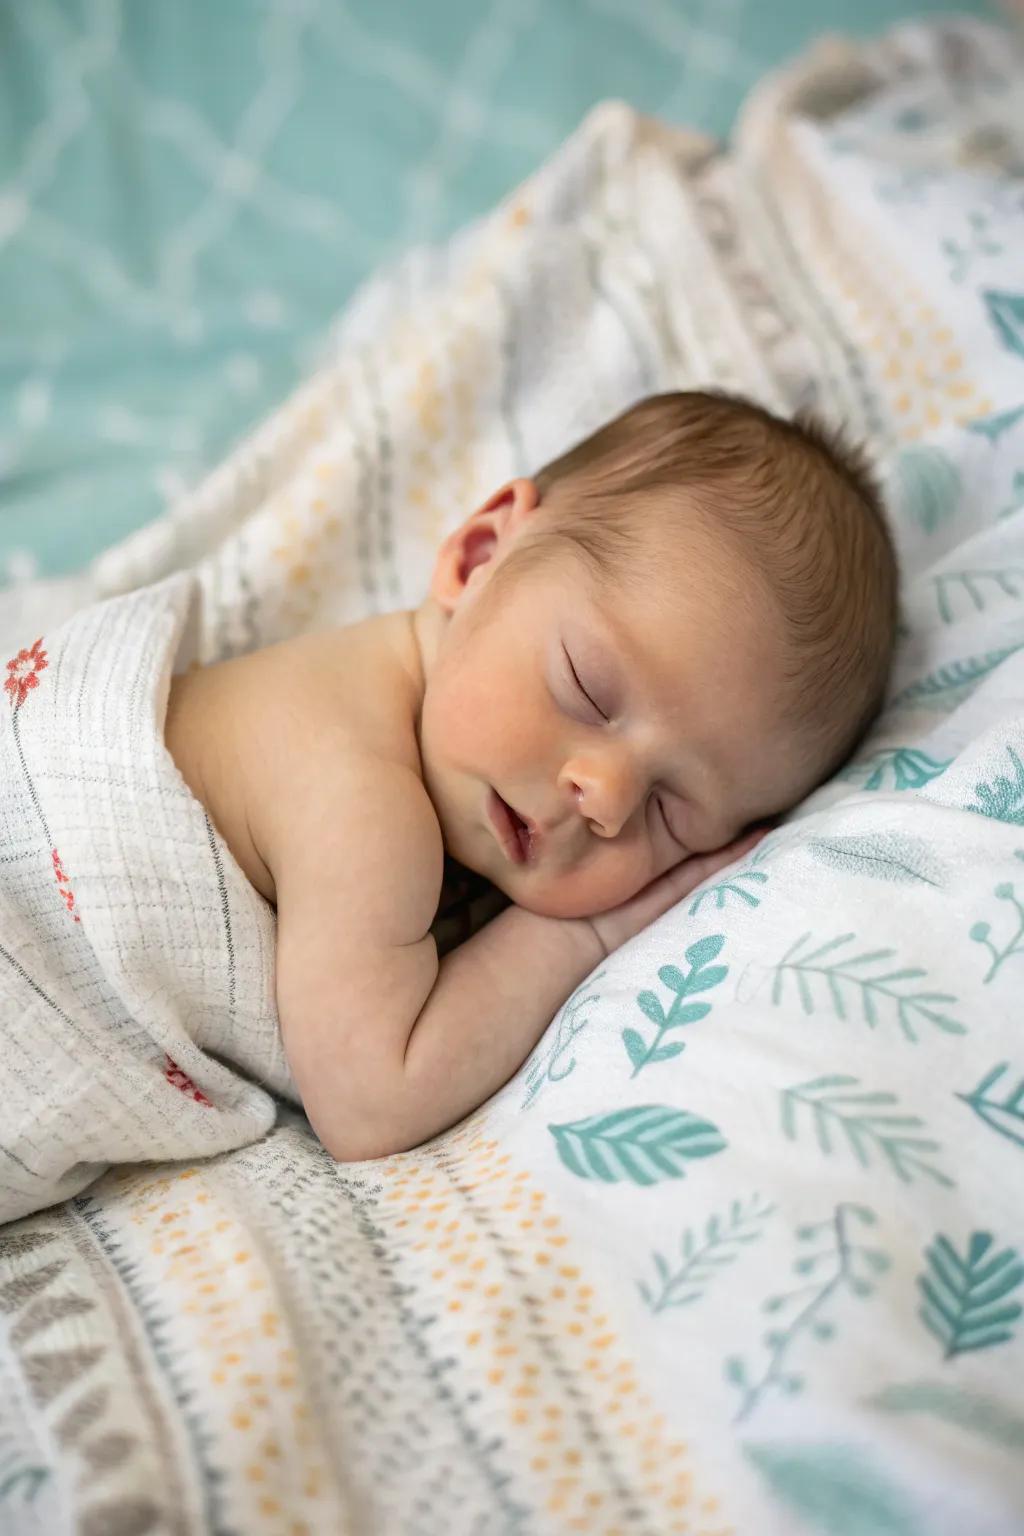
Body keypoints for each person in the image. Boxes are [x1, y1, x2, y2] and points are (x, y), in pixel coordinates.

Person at [164, 389, 899, 1162]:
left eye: (671, 814)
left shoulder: (432, 756)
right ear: (480, 555)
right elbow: (369, 1103)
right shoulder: (359, 791)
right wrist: (591, 930)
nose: (607, 799)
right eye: (587, 688)